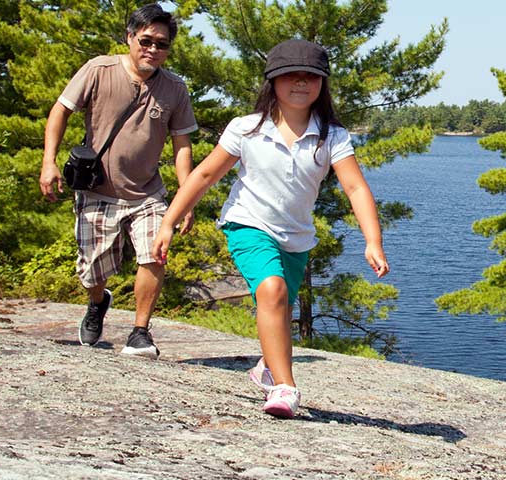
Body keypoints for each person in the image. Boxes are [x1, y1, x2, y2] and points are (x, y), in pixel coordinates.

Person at [153, 39, 390, 418]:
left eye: (310, 77)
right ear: (272, 82)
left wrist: (372, 241)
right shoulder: (246, 129)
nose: (301, 83)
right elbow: (205, 173)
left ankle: (267, 368)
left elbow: (356, 187)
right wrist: (168, 221)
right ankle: (285, 387)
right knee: (272, 288)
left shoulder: (333, 136)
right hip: (248, 223)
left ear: (322, 84)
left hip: (296, 238)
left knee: (279, 304)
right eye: (290, 76)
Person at [38, 4, 197, 358]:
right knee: (92, 271)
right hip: (98, 190)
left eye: (162, 44)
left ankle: (140, 332)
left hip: (147, 193)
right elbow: (60, 110)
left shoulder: (174, 89)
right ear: (129, 37)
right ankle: (97, 303)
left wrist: (185, 198)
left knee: (154, 255)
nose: (153, 50)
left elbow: (182, 145)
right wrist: (48, 162)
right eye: (146, 41)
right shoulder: (99, 70)